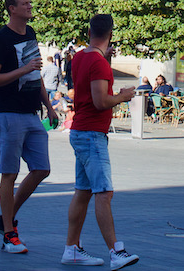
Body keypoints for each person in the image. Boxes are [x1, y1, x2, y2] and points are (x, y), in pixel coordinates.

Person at [60, 14, 139, 268]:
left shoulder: (81, 58)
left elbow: (87, 85)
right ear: (111, 34)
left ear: (90, 31)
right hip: (93, 135)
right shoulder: (99, 63)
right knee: (103, 193)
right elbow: (100, 101)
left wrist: (106, 59)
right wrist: (123, 96)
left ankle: (72, 247)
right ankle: (115, 251)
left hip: (81, 131)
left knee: (82, 192)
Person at [0, 0, 59, 254]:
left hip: (31, 114)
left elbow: (35, 73)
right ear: (11, 8)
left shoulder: (30, 34)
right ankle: (9, 234)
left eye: (30, 2)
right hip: (7, 114)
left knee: (42, 168)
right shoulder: (0, 40)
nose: (30, 6)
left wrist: (48, 106)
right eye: (24, 3)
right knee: (10, 174)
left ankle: (5, 217)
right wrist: (22, 70)